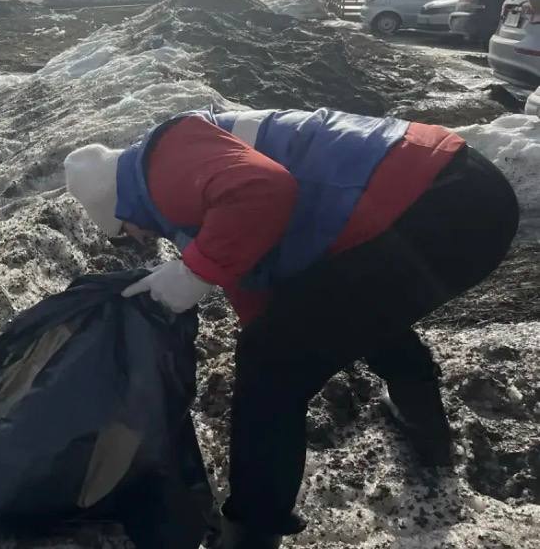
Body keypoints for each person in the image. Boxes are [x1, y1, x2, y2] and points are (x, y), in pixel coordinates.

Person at [63, 107, 518, 549]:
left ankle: (253, 532)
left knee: (270, 363)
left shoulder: (162, 163)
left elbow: (265, 189)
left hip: (440, 204)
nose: (138, 241)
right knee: (340, 307)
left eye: (124, 232)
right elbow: (267, 288)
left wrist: (193, 274)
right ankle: (424, 423)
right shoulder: (187, 170)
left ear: (118, 203)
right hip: (457, 193)